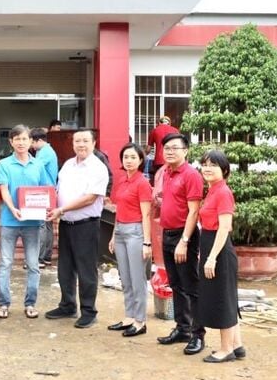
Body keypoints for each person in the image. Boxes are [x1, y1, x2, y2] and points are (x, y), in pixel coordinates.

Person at [45, 129, 109, 329]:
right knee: (65, 268)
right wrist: (47, 205)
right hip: (66, 224)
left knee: (86, 270)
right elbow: (58, 191)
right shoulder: (67, 165)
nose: (81, 144)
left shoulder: (98, 168)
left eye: (85, 141)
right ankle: (67, 305)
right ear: (73, 144)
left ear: (94, 143)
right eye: (77, 141)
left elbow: (90, 198)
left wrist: (61, 209)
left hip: (86, 225)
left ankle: (89, 311)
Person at [0, 125, 53, 319]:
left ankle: (30, 304)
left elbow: (45, 190)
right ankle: (4, 304)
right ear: (11, 142)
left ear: (31, 142)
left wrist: (47, 208)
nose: (21, 142)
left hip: (32, 223)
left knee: (33, 265)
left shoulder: (38, 165)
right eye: (17, 139)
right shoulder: (4, 164)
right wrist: (13, 209)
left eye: (24, 139)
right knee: (5, 263)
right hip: (9, 221)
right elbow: (3, 190)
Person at [156, 132, 206, 355]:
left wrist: (184, 241)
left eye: (175, 148)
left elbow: (194, 211)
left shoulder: (191, 175)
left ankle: (198, 334)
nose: (169, 151)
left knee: (191, 287)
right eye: (166, 148)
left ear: (185, 151)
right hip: (167, 234)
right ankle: (182, 328)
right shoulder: (167, 172)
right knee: (175, 285)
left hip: (184, 236)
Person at [198, 150, 245, 363]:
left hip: (220, 250)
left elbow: (224, 227)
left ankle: (226, 349)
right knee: (227, 296)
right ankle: (237, 345)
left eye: (213, 165)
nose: (207, 168)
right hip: (211, 245)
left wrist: (211, 258)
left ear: (224, 170)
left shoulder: (223, 192)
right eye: (205, 164)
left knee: (222, 299)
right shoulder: (212, 190)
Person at [107, 143, 152, 338]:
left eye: (133, 157)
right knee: (125, 278)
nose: (129, 160)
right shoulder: (122, 181)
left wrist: (147, 243)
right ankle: (129, 316)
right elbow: (118, 210)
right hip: (120, 232)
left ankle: (140, 321)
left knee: (137, 279)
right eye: (126, 157)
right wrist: (113, 235)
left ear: (141, 160)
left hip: (135, 232)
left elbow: (146, 214)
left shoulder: (142, 183)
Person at [31, 127, 59, 268]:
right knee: (47, 225)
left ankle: (39, 258)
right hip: (49, 190)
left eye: (32, 142)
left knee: (41, 224)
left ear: (39, 140)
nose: (31, 146)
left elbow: (33, 167)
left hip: (44, 191)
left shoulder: (44, 152)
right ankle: (47, 256)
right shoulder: (47, 151)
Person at [146, 115, 180, 183]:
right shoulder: (175, 131)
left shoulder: (154, 131)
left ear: (159, 123)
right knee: (172, 182)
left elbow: (148, 149)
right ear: (169, 123)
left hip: (158, 161)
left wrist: (142, 156)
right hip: (172, 160)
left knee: (159, 182)